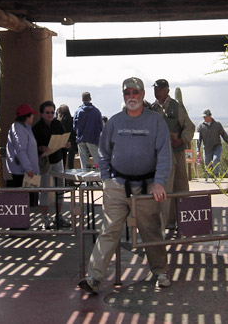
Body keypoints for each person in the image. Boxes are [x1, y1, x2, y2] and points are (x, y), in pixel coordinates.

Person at [78, 77, 172, 295]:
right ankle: (93, 277)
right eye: (127, 92)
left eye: (135, 92)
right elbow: (103, 152)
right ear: (123, 96)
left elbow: (164, 154)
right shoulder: (114, 122)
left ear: (142, 94)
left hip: (147, 186)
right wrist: (106, 180)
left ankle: (160, 272)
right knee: (109, 230)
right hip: (118, 186)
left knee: (151, 231)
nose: (131, 96)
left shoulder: (156, 121)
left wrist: (159, 182)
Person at [150, 79, 195, 230]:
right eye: (155, 89)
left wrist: (182, 140)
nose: (156, 92)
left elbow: (189, 126)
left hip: (177, 153)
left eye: (159, 89)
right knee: (163, 188)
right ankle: (167, 222)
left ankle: (185, 220)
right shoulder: (152, 108)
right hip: (158, 156)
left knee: (180, 186)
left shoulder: (176, 107)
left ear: (167, 91)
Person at [32, 101, 71, 229]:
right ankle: (44, 218)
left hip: (58, 159)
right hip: (44, 162)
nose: (50, 115)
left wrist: (66, 144)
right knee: (44, 189)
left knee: (60, 188)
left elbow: (65, 139)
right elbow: (32, 146)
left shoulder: (57, 124)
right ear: (42, 114)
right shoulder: (37, 128)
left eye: (52, 112)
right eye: (47, 113)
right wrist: (40, 148)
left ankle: (59, 215)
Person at [5, 104, 40, 187]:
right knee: (24, 197)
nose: (33, 117)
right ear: (27, 117)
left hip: (28, 171)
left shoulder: (26, 128)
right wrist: (28, 168)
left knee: (32, 197)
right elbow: (20, 150)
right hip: (22, 172)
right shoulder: (18, 129)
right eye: (32, 115)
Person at [196, 109, 228, 178]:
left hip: (217, 146)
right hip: (207, 148)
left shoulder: (217, 124)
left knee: (216, 160)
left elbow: (224, 134)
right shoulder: (200, 126)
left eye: (205, 116)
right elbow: (198, 139)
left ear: (210, 116)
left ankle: (216, 176)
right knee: (207, 164)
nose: (204, 118)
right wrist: (198, 150)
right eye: (203, 117)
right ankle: (210, 178)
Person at [73, 92, 104, 169]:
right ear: (90, 99)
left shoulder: (78, 112)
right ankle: (99, 177)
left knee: (84, 163)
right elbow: (101, 127)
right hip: (93, 139)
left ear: (82, 99)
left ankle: (87, 180)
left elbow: (74, 126)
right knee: (97, 161)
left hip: (81, 138)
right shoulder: (96, 112)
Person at [56, 104, 78, 170]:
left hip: (63, 142)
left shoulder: (59, 121)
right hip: (72, 141)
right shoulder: (72, 119)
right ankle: (70, 177)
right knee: (71, 162)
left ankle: (63, 178)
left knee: (62, 162)